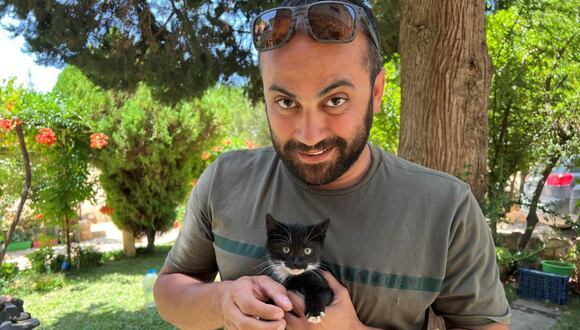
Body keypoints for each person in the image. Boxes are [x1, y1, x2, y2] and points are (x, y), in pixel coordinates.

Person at [153, 1, 511, 329]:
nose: (309, 135)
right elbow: (170, 288)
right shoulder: (225, 180)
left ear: (376, 91)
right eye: (285, 101)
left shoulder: (447, 208)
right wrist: (222, 300)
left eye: (336, 99)